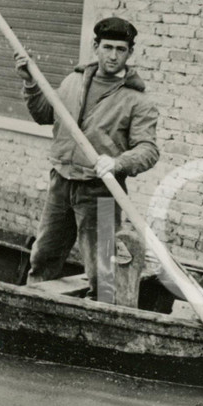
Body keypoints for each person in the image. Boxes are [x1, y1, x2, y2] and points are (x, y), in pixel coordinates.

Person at [15, 17, 160, 299]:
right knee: (44, 256)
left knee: (103, 271)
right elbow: (45, 114)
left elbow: (148, 150)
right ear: (96, 47)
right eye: (108, 47)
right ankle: (33, 308)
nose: (113, 55)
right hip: (61, 183)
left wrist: (119, 163)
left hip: (102, 192)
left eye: (121, 49)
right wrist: (31, 84)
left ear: (130, 53)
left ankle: (101, 318)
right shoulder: (73, 81)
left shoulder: (137, 101)